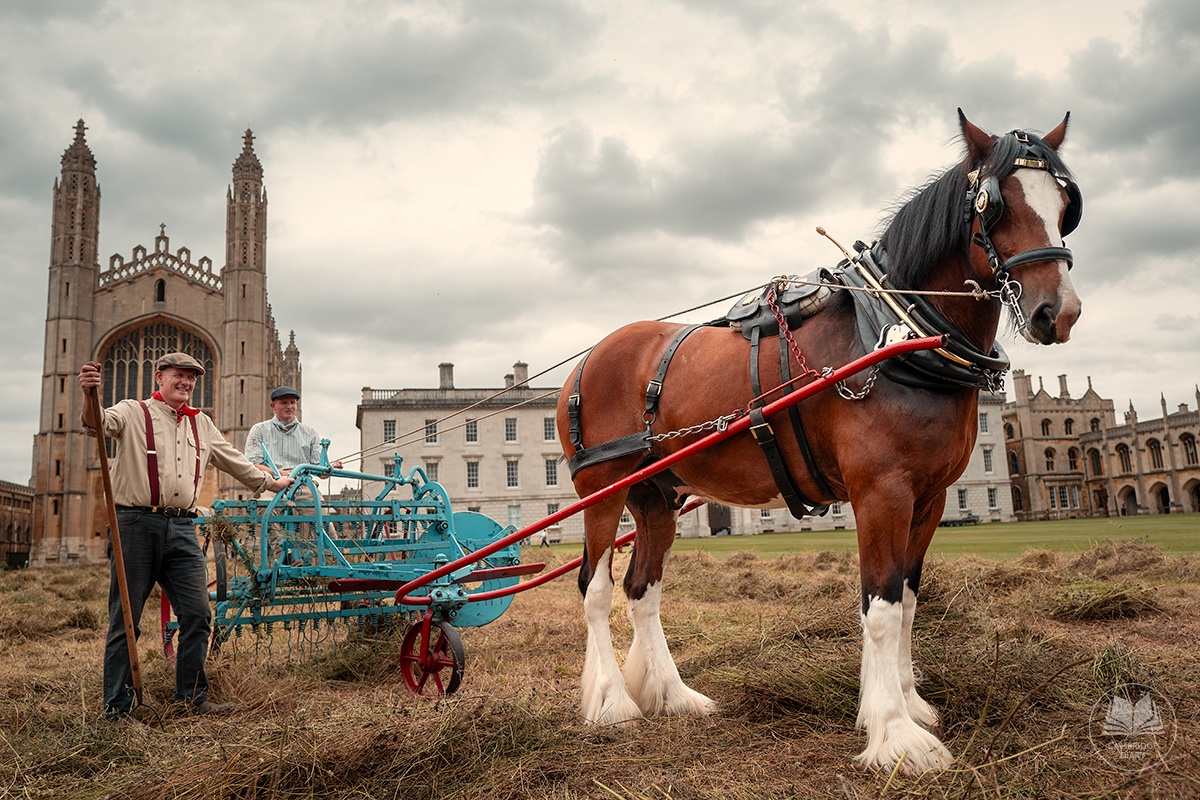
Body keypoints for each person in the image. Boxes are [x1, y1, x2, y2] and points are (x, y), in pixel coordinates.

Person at [79, 353, 292, 720]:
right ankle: (118, 709)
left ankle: (192, 696)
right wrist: (89, 394)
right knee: (125, 618)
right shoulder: (133, 411)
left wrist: (273, 483)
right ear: (159, 377)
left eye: (192, 378)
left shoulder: (201, 424)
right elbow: (96, 423)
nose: (186, 382)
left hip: (182, 528)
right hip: (134, 524)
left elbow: (234, 461)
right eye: (179, 375)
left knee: (198, 614)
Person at [244, 386, 342, 482]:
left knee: (317, 498)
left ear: (297, 405)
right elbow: (252, 465)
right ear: (273, 406)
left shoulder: (311, 433)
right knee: (265, 499)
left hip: (302, 485)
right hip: (271, 485)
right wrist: (279, 473)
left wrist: (331, 468)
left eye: (292, 402)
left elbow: (319, 471)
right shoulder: (259, 430)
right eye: (284, 403)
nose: (289, 407)